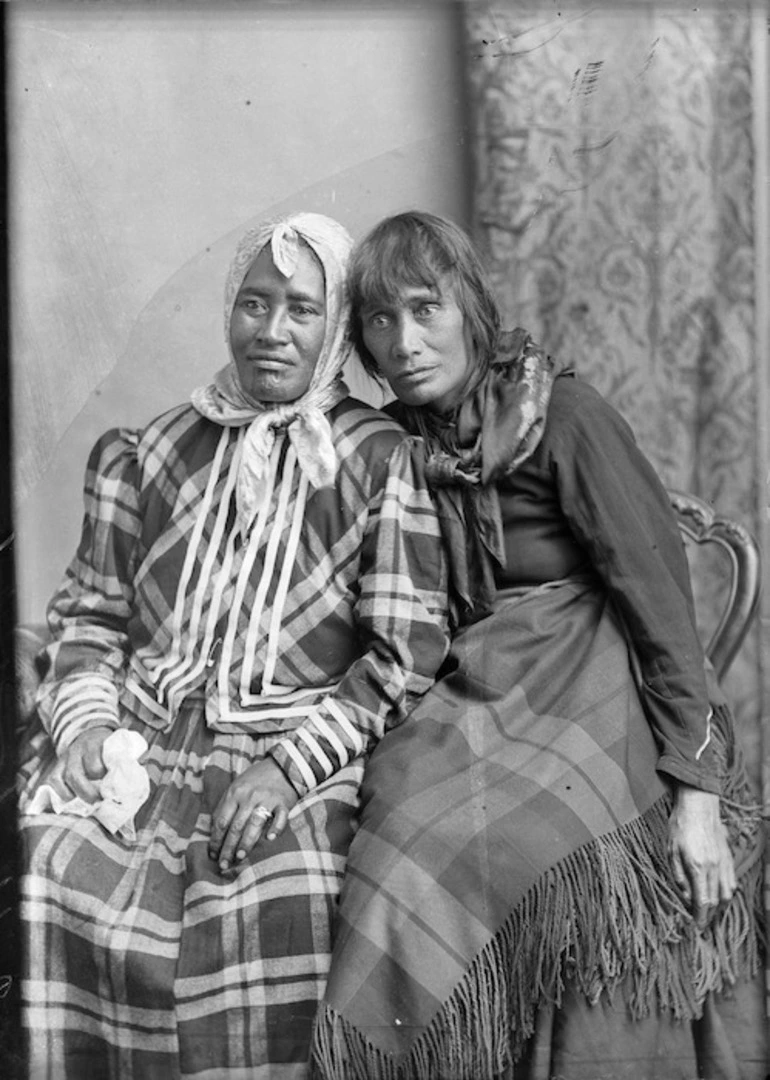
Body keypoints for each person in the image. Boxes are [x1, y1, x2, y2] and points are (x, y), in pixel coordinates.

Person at [312, 211, 765, 1080]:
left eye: (424, 309)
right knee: (398, 831)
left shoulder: (565, 416)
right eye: (378, 320)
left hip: (595, 670)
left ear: (471, 310)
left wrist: (697, 799)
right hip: (476, 680)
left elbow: (662, 602)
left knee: (523, 849)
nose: (404, 342)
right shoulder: (392, 449)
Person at [17, 211, 450, 1079]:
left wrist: (288, 767)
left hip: (289, 753)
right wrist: (88, 733)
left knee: (279, 895)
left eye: (300, 309)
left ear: (334, 331)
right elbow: (89, 619)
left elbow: (400, 657)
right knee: (43, 860)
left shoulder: (379, 459)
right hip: (144, 735)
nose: (272, 330)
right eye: (254, 304)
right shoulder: (151, 451)